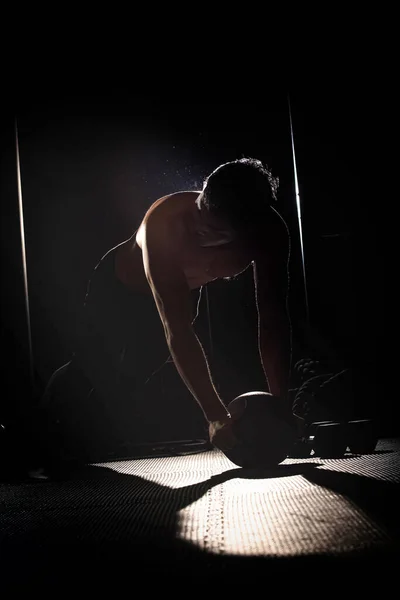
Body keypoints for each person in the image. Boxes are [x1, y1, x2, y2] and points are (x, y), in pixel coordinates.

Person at [41, 157, 292, 459]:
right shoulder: (164, 224)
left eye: (212, 231)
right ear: (203, 193)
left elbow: (273, 319)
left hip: (180, 291)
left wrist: (282, 407)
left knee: (134, 374)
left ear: (246, 229)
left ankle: (88, 429)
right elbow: (179, 330)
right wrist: (215, 415)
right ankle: (41, 427)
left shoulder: (269, 233)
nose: (198, 230)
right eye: (200, 217)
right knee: (91, 368)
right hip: (117, 289)